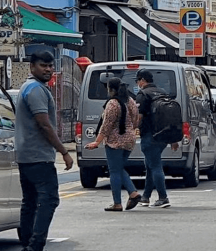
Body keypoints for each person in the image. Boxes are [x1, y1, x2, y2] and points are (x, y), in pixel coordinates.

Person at [15, 51, 74, 251]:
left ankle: (26, 240)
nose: (48, 69)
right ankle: (35, 244)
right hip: (38, 155)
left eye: (50, 66)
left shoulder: (28, 87)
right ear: (32, 67)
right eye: (43, 65)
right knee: (49, 199)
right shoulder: (36, 90)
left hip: (26, 155)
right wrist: (63, 151)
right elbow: (44, 124)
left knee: (30, 200)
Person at [85, 78, 143, 211]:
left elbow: (106, 126)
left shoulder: (112, 104)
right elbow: (135, 121)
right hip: (129, 139)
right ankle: (132, 193)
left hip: (115, 141)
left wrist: (97, 141)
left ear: (111, 89)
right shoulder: (131, 101)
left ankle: (118, 202)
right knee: (119, 167)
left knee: (114, 171)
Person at [135, 69, 179, 208]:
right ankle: (146, 197)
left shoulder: (143, 94)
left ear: (142, 80)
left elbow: (139, 117)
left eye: (138, 81)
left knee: (155, 166)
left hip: (149, 135)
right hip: (163, 135)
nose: (137, 84)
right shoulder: (162, 93)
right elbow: (170, 117)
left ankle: (163, 197)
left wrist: (131, 129)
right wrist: (173, 139)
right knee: (150, 166)